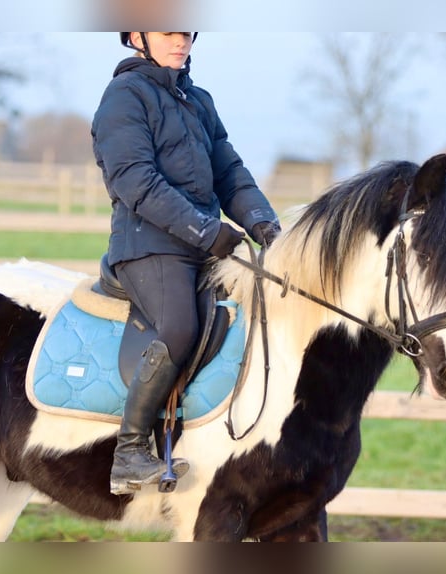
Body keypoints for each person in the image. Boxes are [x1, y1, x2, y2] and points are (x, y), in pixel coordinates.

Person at [92, 32, 280, 495]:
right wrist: (205, 229)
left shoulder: (198, 101)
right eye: (168, 33)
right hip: (147, 246)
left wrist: (265, 225)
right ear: (138, 37)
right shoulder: (124, 97)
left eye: (186, 33)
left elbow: (230, 173)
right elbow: (134, 180)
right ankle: (130, 451)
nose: (180, 41)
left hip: (200, 248)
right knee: (178, 327)